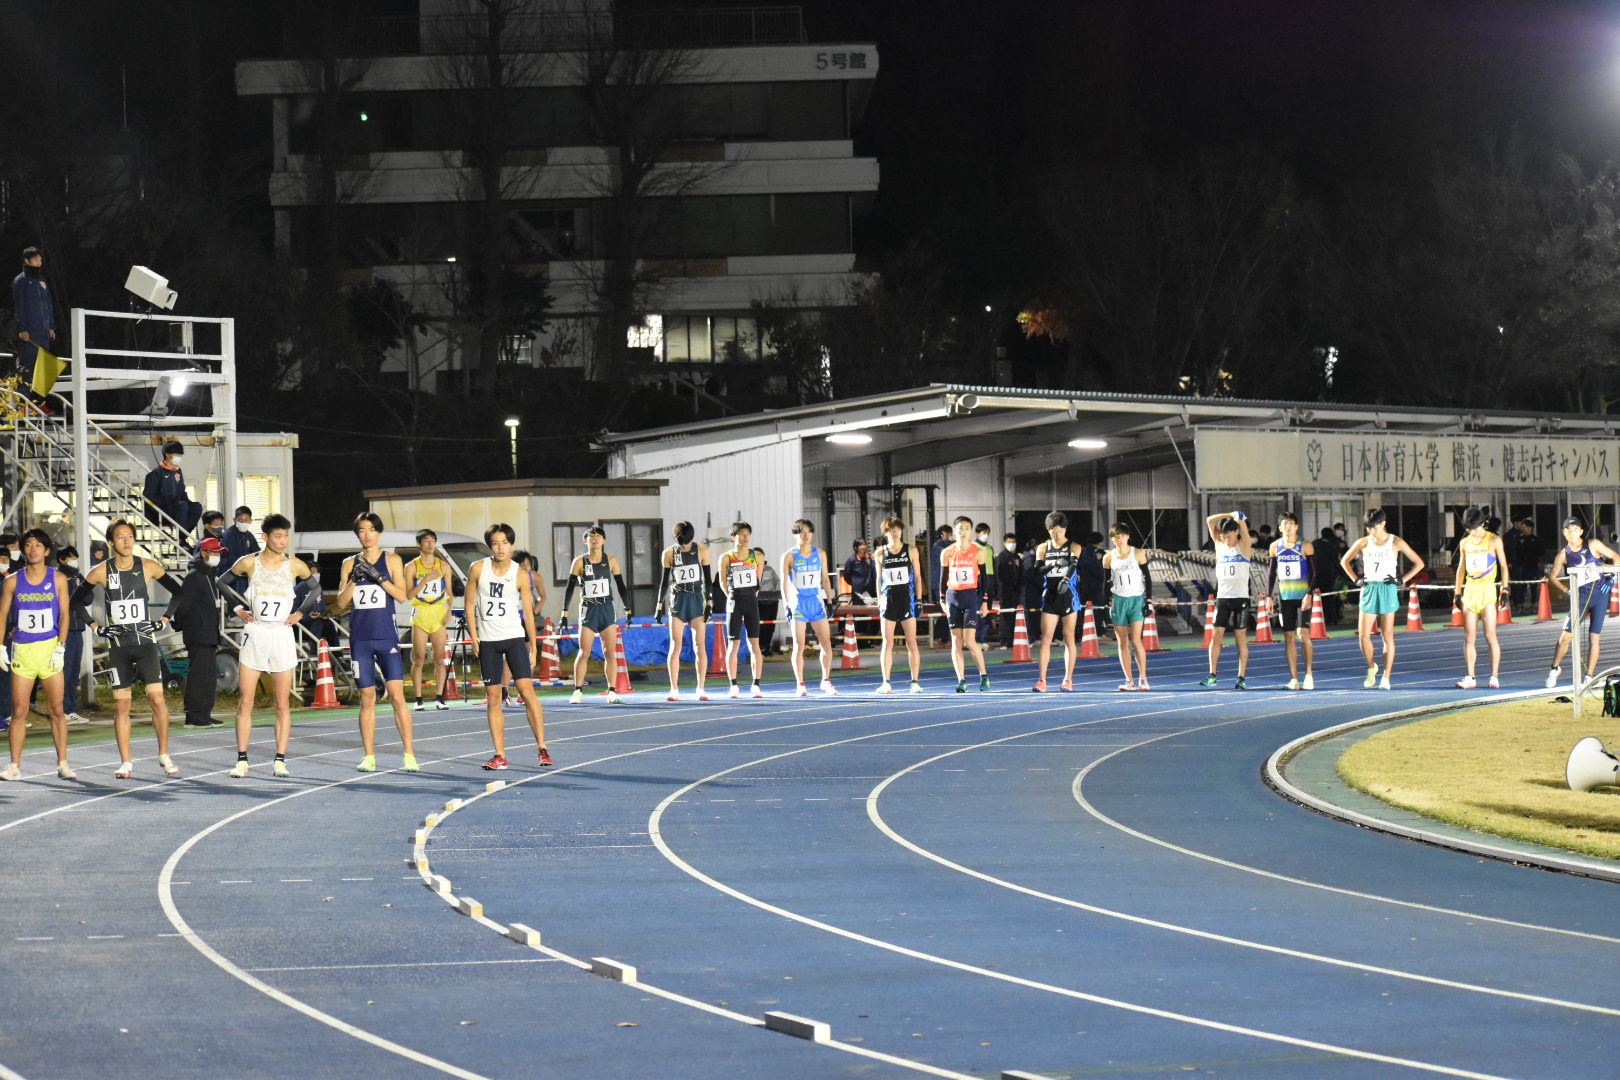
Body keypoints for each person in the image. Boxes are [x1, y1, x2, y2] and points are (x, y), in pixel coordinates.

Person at [71, 519, 184, 779]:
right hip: (118, 648)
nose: (127, 541)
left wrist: (165, 619)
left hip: (145, 644)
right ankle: (126, 762)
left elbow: (179, 592)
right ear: (111, 542)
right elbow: (76, 602)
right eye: (120, 537)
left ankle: (164, 754)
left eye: (130, 536)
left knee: (157, 699)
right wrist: (95, 626)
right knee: (122, 706)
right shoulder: (100, 571)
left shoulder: (149, 566)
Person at [226, 513, 323, 777]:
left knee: (282, 702)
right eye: (278, 536)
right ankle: (242, 760)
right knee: (246, 700)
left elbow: (315, 590)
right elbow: (222, 581)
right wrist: (237, 607)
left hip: (281, 634)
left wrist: (300, 613)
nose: (283, 541)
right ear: (265, 537)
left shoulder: (295, 566)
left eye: (286, 536)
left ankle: (280, 759)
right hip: (255, 633)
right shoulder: (249, 562)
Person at [336, 512, 419, 773]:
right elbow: (340, 602)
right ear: (357, 534)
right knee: (367, 697)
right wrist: (355, 579)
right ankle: (369, 756)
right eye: (362, 530)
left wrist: (378, 577)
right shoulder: (349, 562)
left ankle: (409, 754)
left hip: (386, 637)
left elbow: (402, 596)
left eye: (372, 530)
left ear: (379, 533)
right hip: (360, 638)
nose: (367, 535)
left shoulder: (392, 560)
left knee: (397, 696)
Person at [465, 523, 551, 770]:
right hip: (489, 641)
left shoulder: (521, 574)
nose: (500, 547)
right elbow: (469, 604)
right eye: (495, 543)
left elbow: (527, 613)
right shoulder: (478, 569)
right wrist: (474, 637)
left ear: (511, 545)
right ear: (489, 545)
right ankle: (499, 754)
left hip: (514, 638)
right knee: (493, 698)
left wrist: (533, 647)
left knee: (526, 691)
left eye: (504, 542)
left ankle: (542, 747)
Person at [0, 529, 74, 780]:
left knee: (57, 709)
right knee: (19, 712)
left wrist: (61, 647)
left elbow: (65, 615)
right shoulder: (12, 581)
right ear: (22, 550)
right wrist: (0, 646)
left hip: (50, 652)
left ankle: (63, 763)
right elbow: (2, 616)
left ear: (47, 551)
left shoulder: (59, 579)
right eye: (28, 545)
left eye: (38, 545)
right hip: (23, 653)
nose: (33, 549)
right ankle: (14, 765)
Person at [1340, 508, 1426, 689]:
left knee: (1387, 635)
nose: (1372, 531)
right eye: (1369, 527)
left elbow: (1419, 563)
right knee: (1364, 635)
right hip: (1369, 588)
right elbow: (1344, 561)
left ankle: (1386, 677)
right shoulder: (1363, 542)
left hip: (1387, 588)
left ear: (1383, 524)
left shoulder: (1396, 542)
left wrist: (1402, 579)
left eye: (1375, 527)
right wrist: (1356, 579)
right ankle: (1372, 667)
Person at [1544, 517, 1620, 688]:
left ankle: (1589, 675)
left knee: (1594, 637)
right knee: (1565, 637)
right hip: (1581, 597)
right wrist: (1567, 591)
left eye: (1575, 529)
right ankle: (1554, 669)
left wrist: (1613, 576)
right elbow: (1552, 577)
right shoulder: (1564, 554)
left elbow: (1616, 557)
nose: (1572, 533)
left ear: (1581, 531)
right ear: (1563, 532)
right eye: (1568, 530)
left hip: (1601, 594)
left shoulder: (1593, 544)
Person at [561, 526, 631, 704]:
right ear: (585, 541)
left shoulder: (612, 560)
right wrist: (564, 612)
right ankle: (577, 690)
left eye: (598, 536)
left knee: (610, 652)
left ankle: (612, 691)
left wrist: (628, 608)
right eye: (591, 537)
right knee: (584, 651)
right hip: (588, 609)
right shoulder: (579, 562)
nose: (595, 539)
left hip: (606, 608)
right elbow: (569, 588)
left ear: (604, 540)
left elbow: (621, 585)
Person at [172, 536, 228, 728]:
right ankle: (194, 715)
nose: (217, 556)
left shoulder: (208, 575)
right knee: (198, 675)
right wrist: (178, 623)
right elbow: (183, 603)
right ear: (203, 553)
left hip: (208, 633)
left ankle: (204, 713)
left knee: (208, 676)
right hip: (198, 633)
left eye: (219, 553)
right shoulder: (195, 575)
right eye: (214, 552)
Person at [1451, 506, 1508, 690]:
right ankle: (1471, 677)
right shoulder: (1465, 543)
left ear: (1482, 524)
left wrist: (1505, 590)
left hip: (1488, 591)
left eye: (1475, 528)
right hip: (1471, 591)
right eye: (1469, 529)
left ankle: (1494, 676)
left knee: (1490, 635)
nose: (1472, 532)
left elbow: (1504, 567)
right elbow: (1461, 568)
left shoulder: (1494, 540)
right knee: (1469, 638)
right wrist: (1457, 592)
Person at [656, 521, 713, 702]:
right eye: (682, 543)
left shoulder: (702, 550)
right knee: (676, 645)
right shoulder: (669, 553)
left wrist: (710, 602)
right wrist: (659, 606)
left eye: (687, 543)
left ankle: (701, 688)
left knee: (699, 646)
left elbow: (708, 579)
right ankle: (674, 688)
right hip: (678, 600)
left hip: (696, 599)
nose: (685, 546)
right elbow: (664, 582)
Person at [783, 519, 839, 696]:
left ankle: (826, 681)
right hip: (799, 603)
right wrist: (786, 605)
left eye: (808, 531)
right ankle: (800, 684)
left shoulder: (820, 553)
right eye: (802, 532)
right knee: (799, 646)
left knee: (826, 643)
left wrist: (830, 601)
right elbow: (784, 583)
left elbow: (826, 579)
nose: (806, 535)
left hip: (816, 603)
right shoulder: (789, 556)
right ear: (796, 534)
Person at [1201, 511, 1254, 690]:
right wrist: (1228, 514)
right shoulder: (1219, 545)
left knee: (1240, 637)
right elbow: (1209, 520)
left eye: (1228, 536)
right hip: (1223, 598)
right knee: (1216, 636)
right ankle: (1212, 674)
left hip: (1241, 599)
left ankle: (1241, 677)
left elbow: (1244, 530)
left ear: (1236, 533)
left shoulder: (1244, 546)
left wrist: (1238, 518)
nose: (1225, 539)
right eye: (1222, 536)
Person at [940, 515, 992, 693]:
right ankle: (961, 680)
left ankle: (983, 675)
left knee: (970, 641)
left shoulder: (978, 551)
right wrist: (941, 599)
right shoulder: (947, 552)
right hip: (952, 597)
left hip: (970, 597)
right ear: (954, 531)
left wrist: (985, 601)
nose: (963, 531)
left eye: (966, 528)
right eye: (960, 528)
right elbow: (942, 578)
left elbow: (985, 579)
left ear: (971, 531)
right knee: (956, 641)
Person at [405, 528, 454, 711]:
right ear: (419, 544)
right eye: (426, 540)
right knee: (418, 659)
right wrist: (425, 580)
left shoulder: (444, 566)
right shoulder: (411, 566)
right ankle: (418, 699)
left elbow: (449, 593)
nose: (430, 543)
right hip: (420, 614)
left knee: (439, 659)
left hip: (438, 614)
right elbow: (409, 595)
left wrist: (449, 610)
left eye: (433, 540)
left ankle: (440, 698)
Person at [1033, 513, 1082, 692]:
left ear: (1065, 530)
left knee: (1069, 637)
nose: (1058, 536)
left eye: (1060, 532)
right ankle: (1042, 680)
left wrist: (1066, 579)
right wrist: (1053, 566)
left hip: (1068, 595)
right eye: (1054, 532)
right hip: (1051, 597)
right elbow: (1037, 570)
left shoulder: (1074, 546)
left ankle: (1068, 679)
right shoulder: (1043, 548)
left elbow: (1073, 565)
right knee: (1046, 638)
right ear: (1049, 531)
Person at [875, 515, 923, 694]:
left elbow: (918, 577)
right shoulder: (880, 553)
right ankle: (886, 682)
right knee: (888, 643)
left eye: (897, 529)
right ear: (886, 532)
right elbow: (878, 578)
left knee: (912, 642)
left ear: (901, 530)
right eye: (891, 529)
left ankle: (915, 682)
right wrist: (879, 598)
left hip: (907, 600)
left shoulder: (911, 550)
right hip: (888, 601)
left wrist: (918, 599)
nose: (894, 532)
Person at [717, 523, 766, 698]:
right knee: (734, 643)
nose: (745, 537)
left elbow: (758, 579)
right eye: (741, 534)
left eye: (747, 534)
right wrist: (731, 596)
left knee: (755, 644)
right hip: (734, 601)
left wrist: (751, 595)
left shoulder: (757, 556)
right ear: (733, 537)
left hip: (751, 600)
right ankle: (733, 685)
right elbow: (722, 582)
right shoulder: (726, 557)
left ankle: (756, 684)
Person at [1269, 512, 1316, 690]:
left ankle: (1309, 674)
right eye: (1284, 524)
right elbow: (1272, 574)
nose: (1287, 526)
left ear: (1296, 527)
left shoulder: (1305, 546)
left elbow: (1314, 573)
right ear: (1280, 528)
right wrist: (1268, 596)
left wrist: (1309, 594)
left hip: (1303, 597)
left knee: (1303, 635)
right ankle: (1294, 679)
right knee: (1288, 637)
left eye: (1291, 523)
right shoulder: (1275, 547)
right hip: (1285, 597)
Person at [1103, 523, 1151, 691]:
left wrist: (1148, 601)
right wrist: (1104, 605)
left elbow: (1148, 578)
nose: (1119, 538)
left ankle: (1143, 679)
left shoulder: (1137, 553)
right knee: (1122, 642)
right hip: (1118, 600)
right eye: (1116, 536)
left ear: (1128, 536)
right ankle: (1129, 680)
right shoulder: (1108, 557)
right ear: (1112, 538)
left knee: (1136, 640)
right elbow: (1105, 583)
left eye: (1122, 535)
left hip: (1136, 599)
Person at [11, 246, 55, 410]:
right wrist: (22, 328)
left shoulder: (42, 280)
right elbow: (19, 306)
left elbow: (48, 304)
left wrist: (51, 326)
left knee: (44, 370)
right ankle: (23, 404)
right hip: (29, 332)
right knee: (27, 368)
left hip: (44, 332)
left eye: (40, 260)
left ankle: (40, 403)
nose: (39, 263)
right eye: (36, 260)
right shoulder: (20, 280)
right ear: (27, 261)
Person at [142, 440, 202, 543]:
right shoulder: (155, 474)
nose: (179, 456)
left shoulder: (178, 471)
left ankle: (181, 538)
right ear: (167, 454)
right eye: (176, 454)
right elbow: (149, 496)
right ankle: (181, 540)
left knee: (196, 507)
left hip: (177, 509)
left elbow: (182, 492)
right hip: (161, 511)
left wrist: (189, 503)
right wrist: (168, 501)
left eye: (180, 454)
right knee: (182, 505)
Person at [55, 545, 88, 726]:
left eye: (75, 557)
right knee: (64, 672)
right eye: (70, 558)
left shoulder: (78, 576)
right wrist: (74, 587)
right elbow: (67, 600)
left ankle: (71, 709)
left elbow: (88, 598)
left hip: (78, 630)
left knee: (74, 672)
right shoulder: (58, 576)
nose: (74, 561)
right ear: (62, 560)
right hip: (64, 631)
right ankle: (62, 710)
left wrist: (78, 586)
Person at [995, 531, 1023, 648]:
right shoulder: (1002, 557)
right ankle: (1005, 640)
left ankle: (1012, 639)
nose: (1012, 544)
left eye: (1013, 542)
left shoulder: (1016, 556)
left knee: (1014, 615)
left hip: (1016, 591)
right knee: (1006, 616)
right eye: (1009, 542)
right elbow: (999, 576)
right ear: (1004, 543)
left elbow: (1021, 573)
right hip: (1005, 591)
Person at [929, 524, 953, 646]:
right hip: (938, 583)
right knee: (945, 611)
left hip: (947, 582)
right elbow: (948, 552)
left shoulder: (945, 545)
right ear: (943, 533)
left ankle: (943, 638)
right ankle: (938, 636)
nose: (950, 537)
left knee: (947, 612)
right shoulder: (937, 546)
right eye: (948, 534)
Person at [1315, 527, 1344, 623]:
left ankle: (1318, 617)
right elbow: (1336, 561)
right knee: (1329, 596)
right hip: (1329, 574)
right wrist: (1342, 574)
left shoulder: (1315, 543)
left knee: (1317, 596)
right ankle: (1331, 618)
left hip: (1316, 574)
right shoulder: (1333, 545)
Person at [756, 547, 781, 656]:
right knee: (757, 626)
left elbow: (778, 582)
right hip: (756, 602)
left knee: (769, 626)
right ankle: (756, 649)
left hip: (771, 602)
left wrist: (778, 593)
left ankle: (766, 648)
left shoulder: (770, 570)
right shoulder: (749, 569)